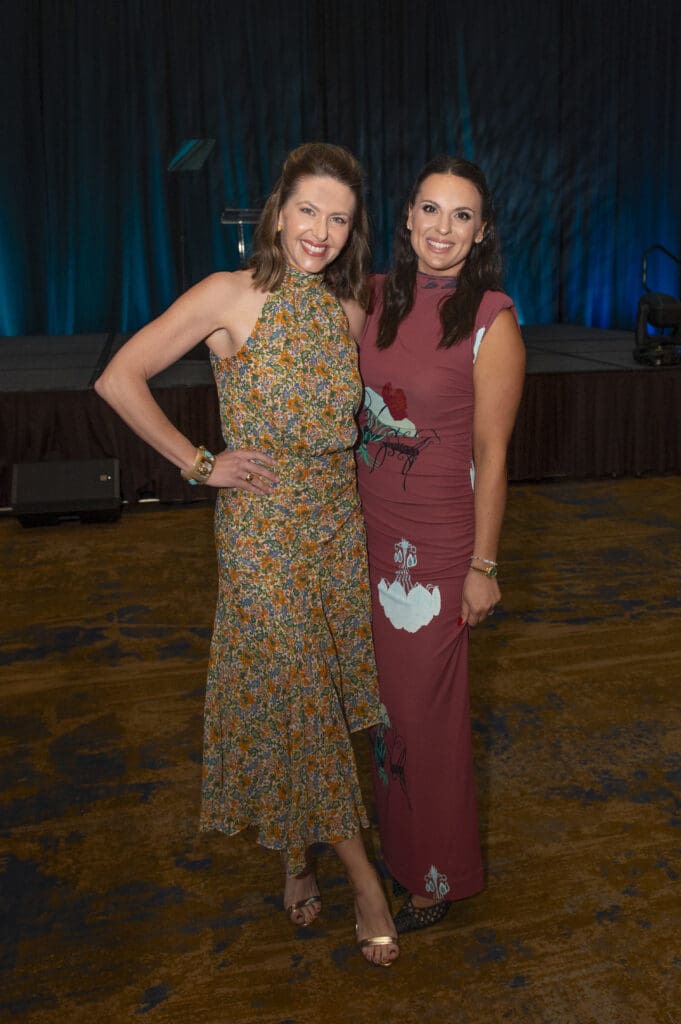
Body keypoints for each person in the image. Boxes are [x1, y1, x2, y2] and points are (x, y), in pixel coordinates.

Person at [96, 143, 399, 966]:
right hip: (261, 529)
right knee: (299, 692)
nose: (322, 232)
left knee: (314, 697)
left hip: (337, 525)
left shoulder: (346, 309)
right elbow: (119, 378)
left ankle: (294, 858)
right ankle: (363, 880)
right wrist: (200, 463)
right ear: (277, 211)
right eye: (309, 211)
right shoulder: (229, 296)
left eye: (339, 219)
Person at [355, 156, 525, 933]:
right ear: (406, 218)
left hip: (437, 548)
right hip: (360, 535)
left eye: (461, 216)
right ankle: (394, 850)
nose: (442, 229)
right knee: (385, 713)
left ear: (481, 231)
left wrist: (483, 567)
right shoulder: (374, 297)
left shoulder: (491, 318)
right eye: (430, 209)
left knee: (427, 716)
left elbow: (491, 458)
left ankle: (437, 875)